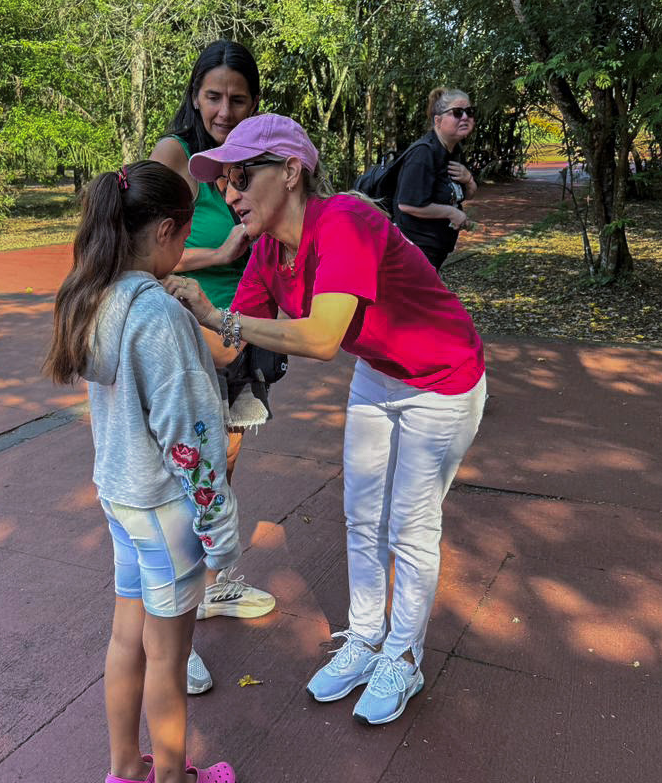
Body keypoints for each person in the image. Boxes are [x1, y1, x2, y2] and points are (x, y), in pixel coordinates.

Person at [165, 114, 486, 727]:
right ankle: (366, 639)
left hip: (444, 379)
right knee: (362, 513)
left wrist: (214, 313)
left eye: (239, 177)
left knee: (409, 524)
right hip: (380, 373)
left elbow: (318, 337)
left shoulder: (346, 220)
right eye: (223, 181)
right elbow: (229, 347)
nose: (229, 193)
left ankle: (405, 655)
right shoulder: (265, 254)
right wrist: (152, 318)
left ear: (290, 172)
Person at [45, 161, 239, 783]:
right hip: (164, 508)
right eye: (184, 237)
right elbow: (193, 436)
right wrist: (220, 526)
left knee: (127, 639)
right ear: (164, 231)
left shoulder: (93, 295)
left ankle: (125, 774)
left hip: (121, 499)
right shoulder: (156, 315)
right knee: (168, 652)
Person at [151, 41, 276, 696]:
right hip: (188, 337)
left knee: (220, 471)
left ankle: (213, 586)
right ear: (195, 94)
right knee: (184, 482)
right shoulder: (175, 157)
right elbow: (142, 251)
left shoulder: (255, 160)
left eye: (239, 98)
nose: (225, 110)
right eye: (214, 96)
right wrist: (224, 247)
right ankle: (175, 635)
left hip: (244, 333)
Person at [393, 87, 479, 271]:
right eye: (457, 112)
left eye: (469, 112)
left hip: (437, 248)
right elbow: (408, 204)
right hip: (414, 250)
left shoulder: (454, 151)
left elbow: (464, 195)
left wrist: (469, 179)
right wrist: (451, 213)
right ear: (438, 120)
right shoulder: (423, 153)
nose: (465, 117)